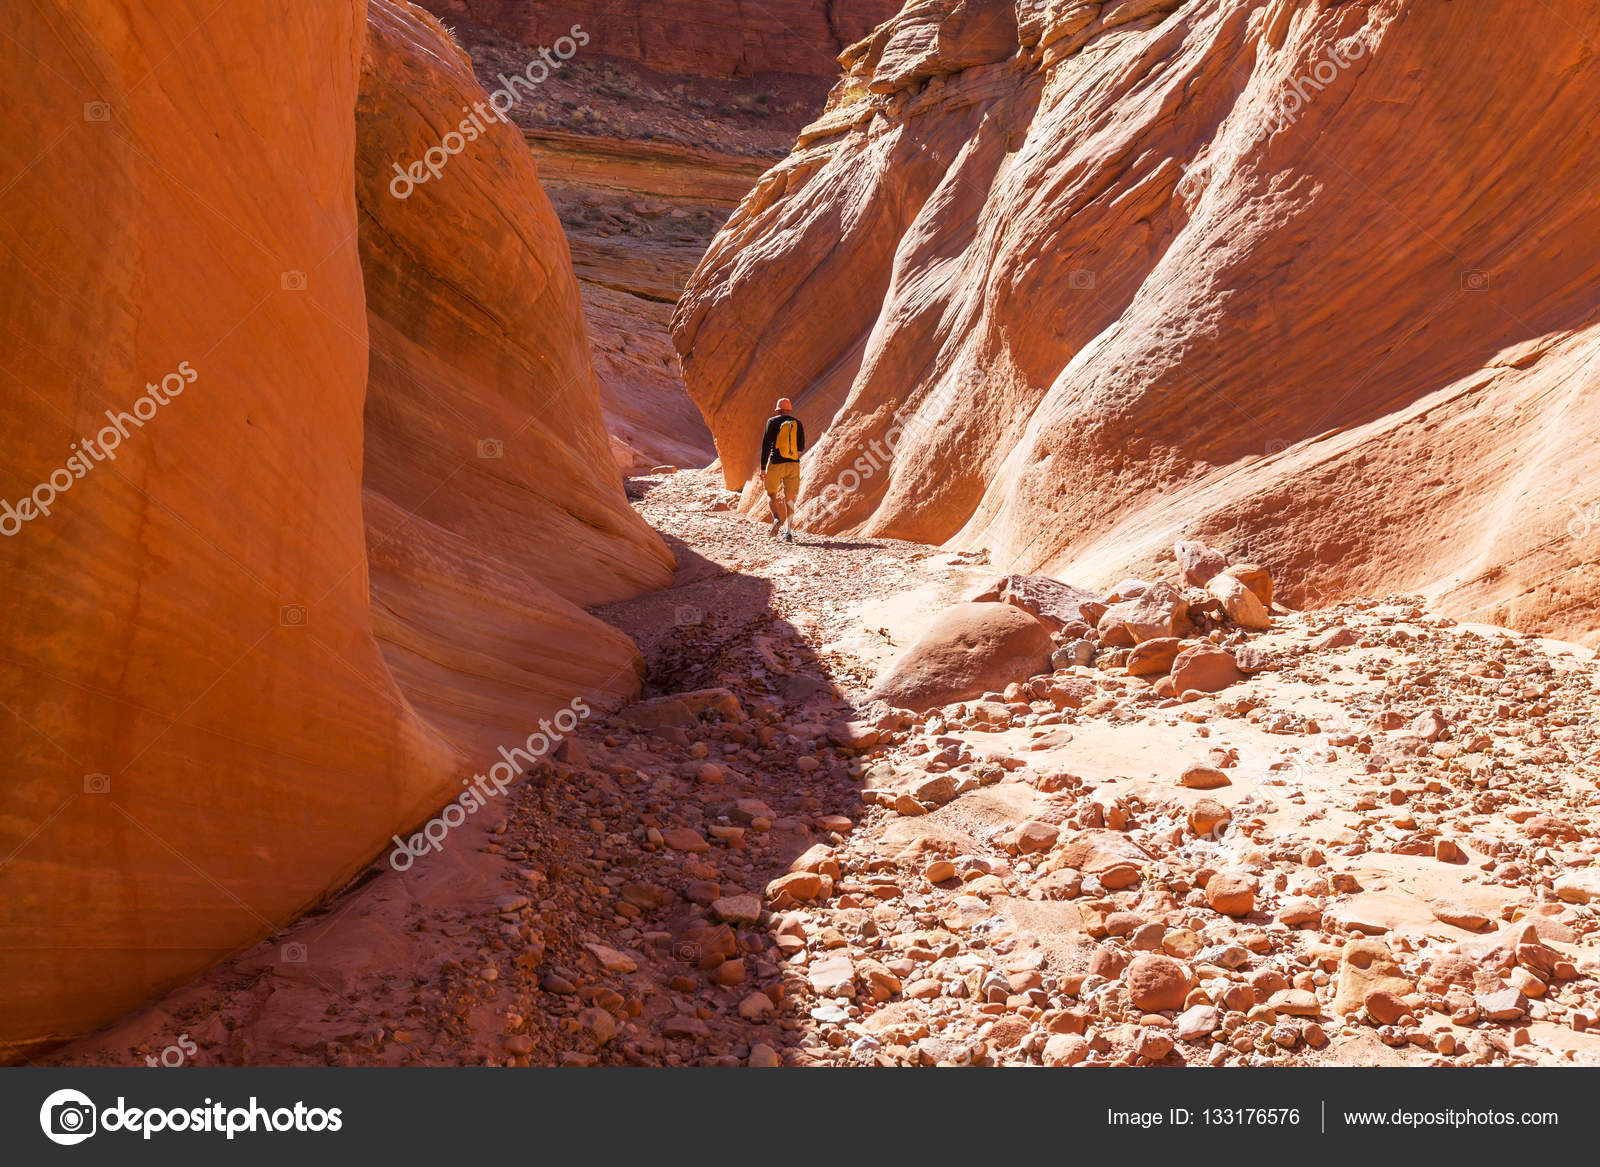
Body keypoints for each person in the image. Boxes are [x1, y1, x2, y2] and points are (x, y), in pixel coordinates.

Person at [758, 397, 805, 541]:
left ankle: (776, 518)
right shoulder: (797, 423)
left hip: (776, 463)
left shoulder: (772, 422)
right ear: (790, 409)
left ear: (778, 409)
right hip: (793, 464)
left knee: (771, 494)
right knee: (790, 499)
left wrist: (762, 468)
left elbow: (766, 445)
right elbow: (801, 446)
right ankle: (789, 532)